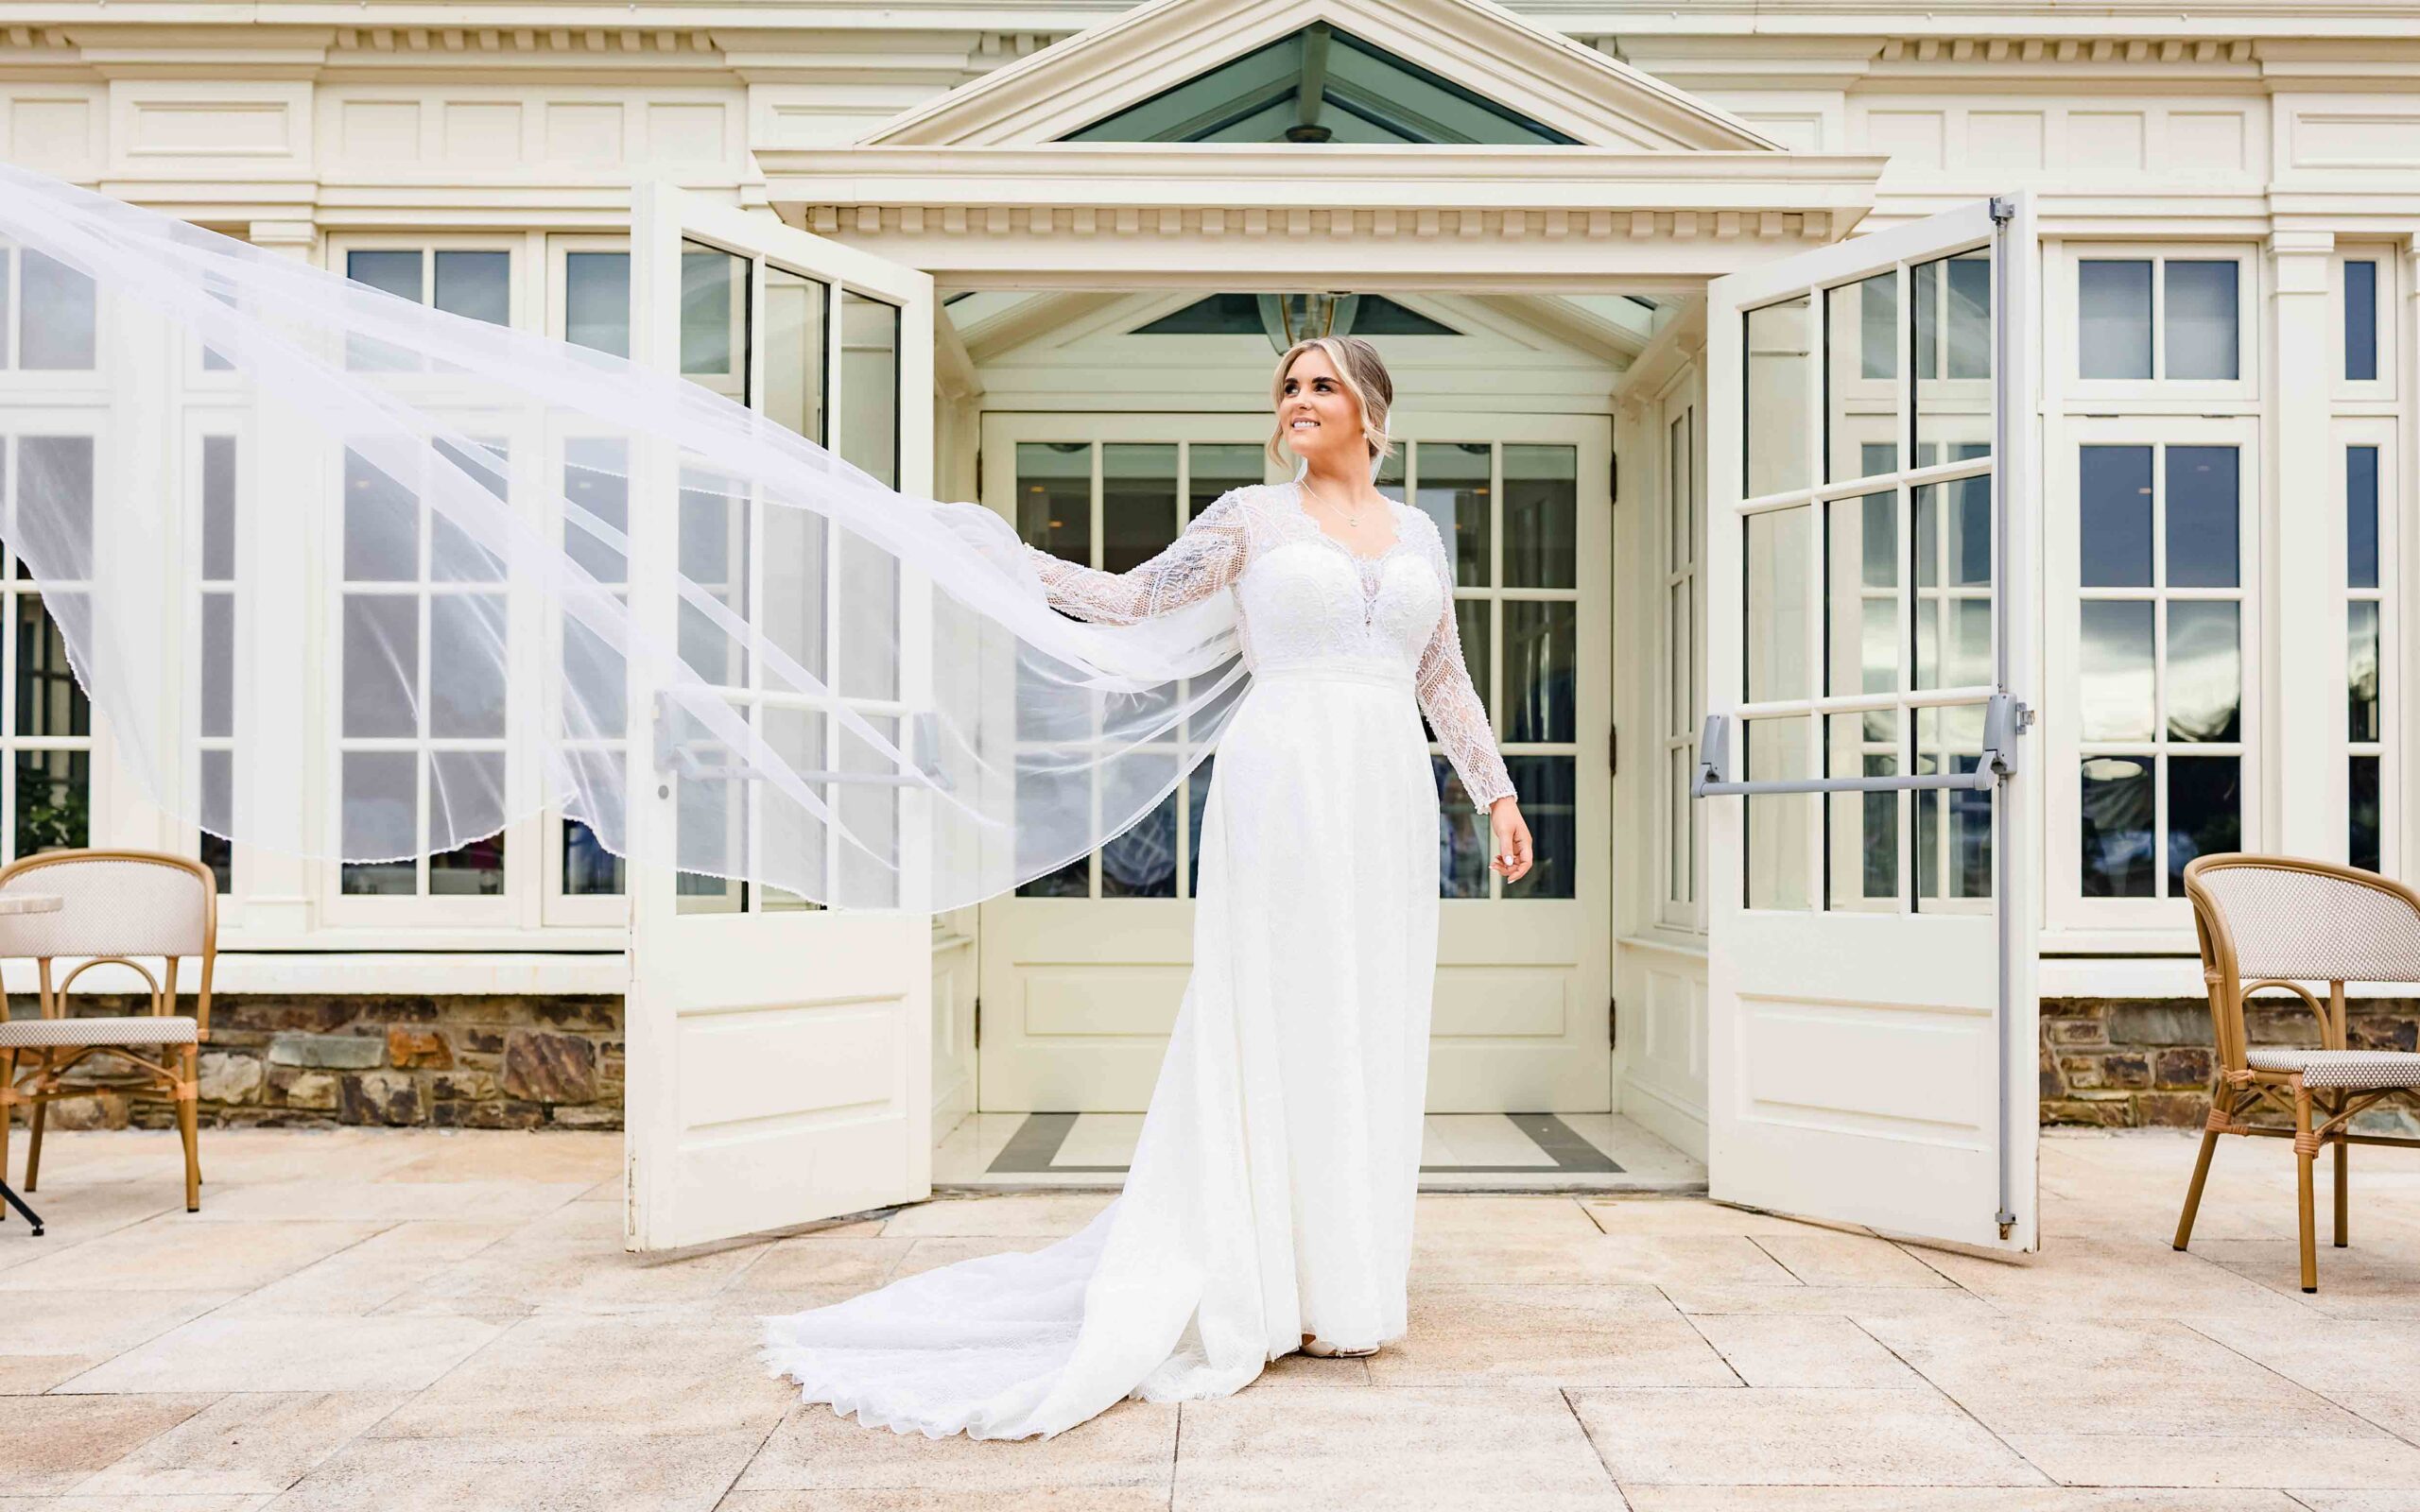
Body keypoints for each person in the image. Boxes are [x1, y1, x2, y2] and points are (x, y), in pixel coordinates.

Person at [769, 333, 1533, 1439]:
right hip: (1283, 783)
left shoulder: (1416, 532)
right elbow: (1131, 601)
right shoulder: (1250, 519)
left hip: (1387, 796)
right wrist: (1002, 559)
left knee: (1366, 1017)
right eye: (1288, 386)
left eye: (1321, 385)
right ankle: (1254, 1281)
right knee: (1274, 1013)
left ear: (1371, 410)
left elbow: (1441, 674)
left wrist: (1496, 793)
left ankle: (1342, 1287)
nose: (1298, 399)